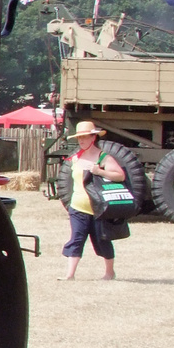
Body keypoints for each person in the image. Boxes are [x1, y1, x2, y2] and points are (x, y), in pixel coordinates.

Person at [60, 120, 125, 280]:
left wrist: (100, 172)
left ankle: (110, 272)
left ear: (93, 138)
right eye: (79, 138)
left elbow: (120, 175)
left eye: (84, 137)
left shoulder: (104, 157)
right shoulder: (75, 158)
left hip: (98, 209)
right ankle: (70, 275)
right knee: (76, 238)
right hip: (77, 206)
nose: (81, 141)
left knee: (102, 240)